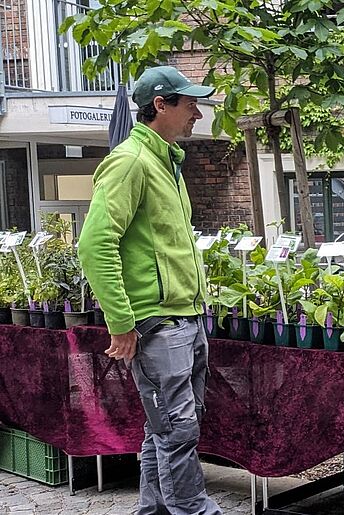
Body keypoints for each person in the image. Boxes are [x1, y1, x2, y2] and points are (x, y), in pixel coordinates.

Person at [77, 66, 221, 515]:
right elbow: (95, 244)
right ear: (161, 105)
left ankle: (154, 510)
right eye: (190, 103)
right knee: (177, 430)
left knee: (169, 428)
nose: (197, 113)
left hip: (186, 318)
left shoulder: (166, 163)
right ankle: (194, 510)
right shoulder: (131, 162)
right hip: (159, 325)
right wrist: (121, 323)